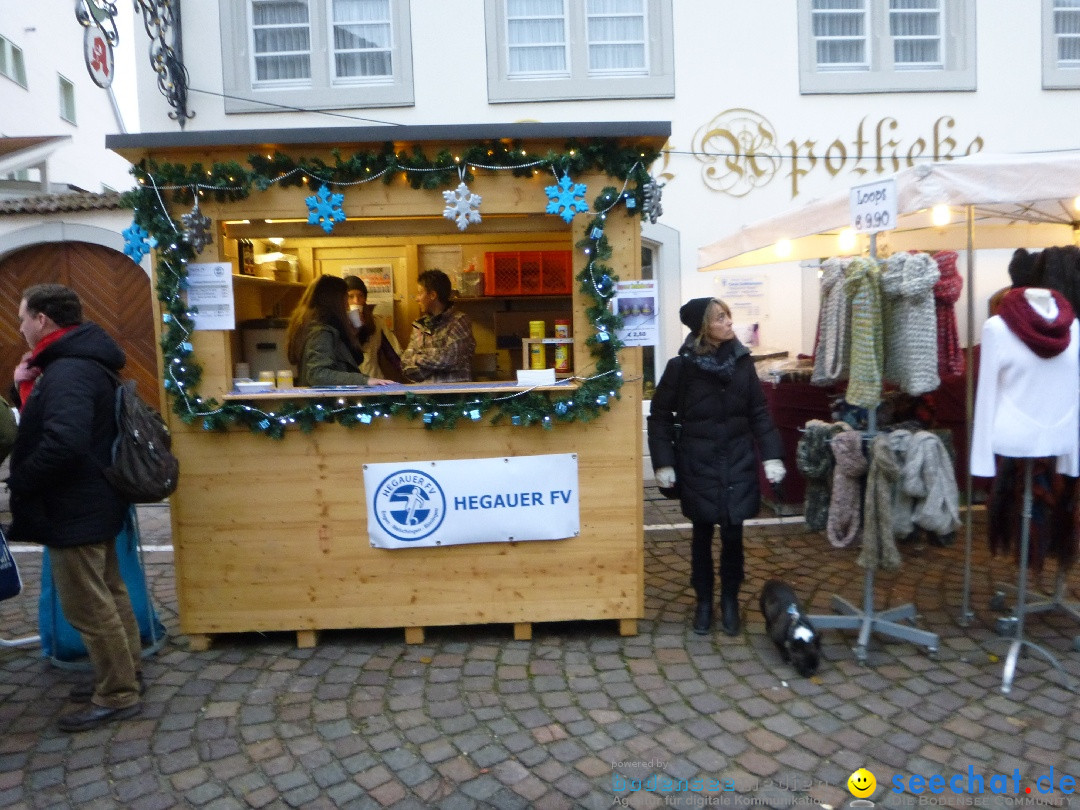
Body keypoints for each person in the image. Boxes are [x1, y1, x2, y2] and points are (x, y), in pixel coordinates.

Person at [7, 284, 142, 732]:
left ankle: (118, 692)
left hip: (74, 503)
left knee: (88, 605)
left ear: (43, 319)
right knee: (109, 590)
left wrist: (22, 479)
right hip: (93, 497)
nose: (20, 324)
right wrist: (24, 387)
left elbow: (64, 439)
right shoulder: (81, 363)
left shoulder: (68, 371)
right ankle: (126, 672)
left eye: (24, 316)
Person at [647, 297, 786, 636]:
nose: (729, 323)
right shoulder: (681, 367)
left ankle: (730, 601)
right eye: (721, 318)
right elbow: (660, 417)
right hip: (698, 461)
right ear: (704, 326)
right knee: (702, 535)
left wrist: (771, 455)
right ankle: (704, 602)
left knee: (734, 536)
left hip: (737, 459)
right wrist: (664, 463)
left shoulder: (741, 362)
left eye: (728, 316)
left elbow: (758, 412)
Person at [286, 275, 392, 387]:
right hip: (325, 401)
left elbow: (352, 360)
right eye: (346, 297)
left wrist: (352, 334)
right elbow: (318, 374)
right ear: (335, 300)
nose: (348, 303)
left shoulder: (326, 326)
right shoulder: (321, 332)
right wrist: (365, 380)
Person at [399, 268, 476, 383]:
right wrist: (436, 362)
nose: (417, 298)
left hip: (454, 397)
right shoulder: (419, 326)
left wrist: (417, 357)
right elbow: (405, 364)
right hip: (424, 397)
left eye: (420, 293)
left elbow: (448, 358)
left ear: (433, 295)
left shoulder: (459, 321)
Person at [344, 275, 403, 380]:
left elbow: (394, 354)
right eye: (350, 296)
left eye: (360, 296)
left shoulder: (377, 322)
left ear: (365, 298)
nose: (356, 301)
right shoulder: (336, 323)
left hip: (373, 380)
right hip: (347, 382)